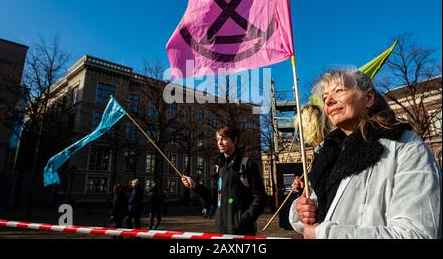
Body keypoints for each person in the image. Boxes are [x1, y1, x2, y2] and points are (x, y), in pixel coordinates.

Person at [289, 69, 442, 239]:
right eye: (325, 98)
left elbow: (417, 233)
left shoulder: (406, 146)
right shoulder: (328, 154)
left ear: (368, 98)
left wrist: (326, 234)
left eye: (339, 91)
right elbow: (325, 209)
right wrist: (305, 211)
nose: (329, 101)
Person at [182, 125, 267, 235]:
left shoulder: (247, 164)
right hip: (220, 231)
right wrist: (195, 186)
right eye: (218, 139)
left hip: (242, 233)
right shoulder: (218, 166)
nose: (219, 143)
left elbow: (260, 197)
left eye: (224, 139)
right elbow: (213, 198)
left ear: (234, 140)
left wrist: (244, 220)